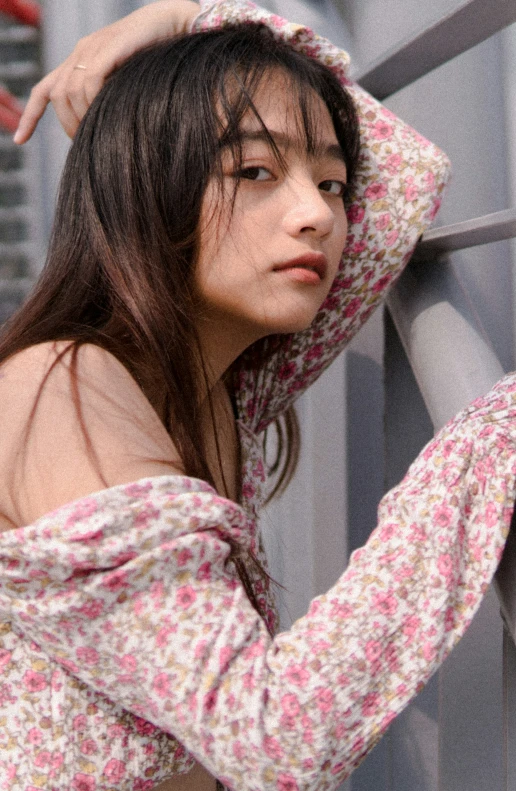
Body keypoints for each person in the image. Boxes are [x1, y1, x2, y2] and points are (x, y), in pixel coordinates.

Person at [0, 1, 515, 790]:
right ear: (144, 182)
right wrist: (497, 434)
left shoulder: (220, 381)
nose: (316, 214)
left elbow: (406, 175)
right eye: (254, 172)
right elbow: (271, 733)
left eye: (332, 183)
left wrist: (190, 15)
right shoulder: (66, 388)